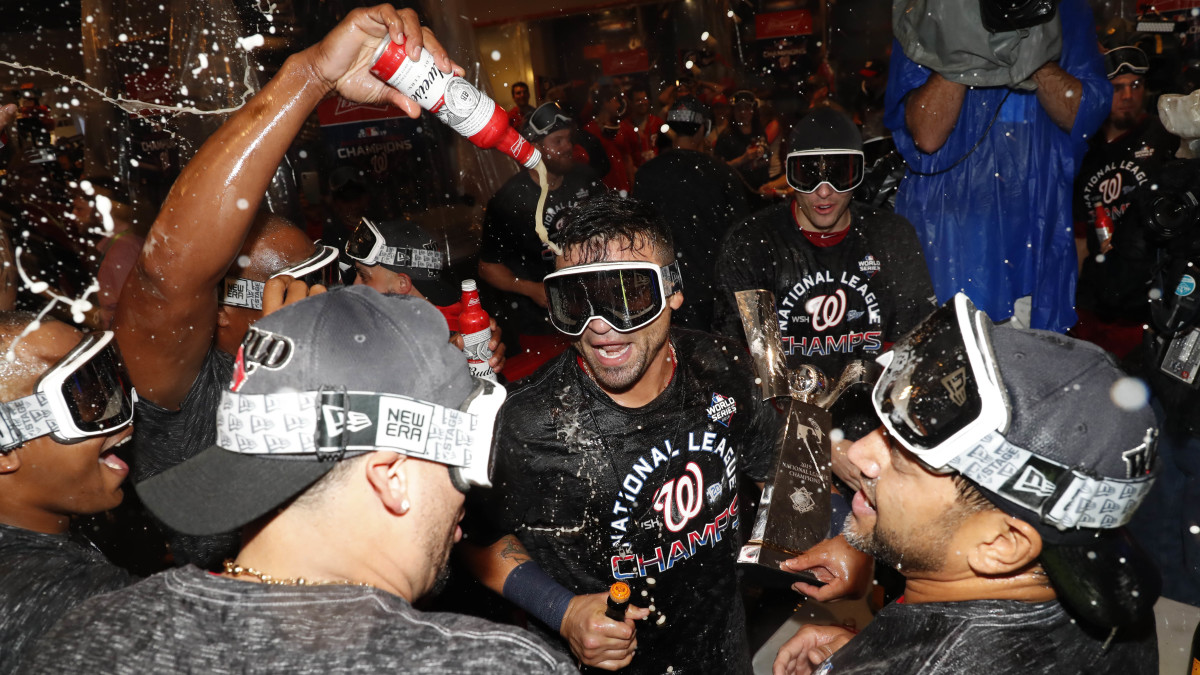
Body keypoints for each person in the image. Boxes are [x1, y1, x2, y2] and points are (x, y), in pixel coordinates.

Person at [24, 287, 575, 673]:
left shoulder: (91, 637)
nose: (466, 497)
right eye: (464, 462)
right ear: (391, 477)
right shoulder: (493, 665)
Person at [112, 5, 458, 569]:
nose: (322, 295)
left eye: (325, 273)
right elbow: (165, 275)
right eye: (297, 286)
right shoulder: (189, 396)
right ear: (220, 311)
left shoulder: (340, 357)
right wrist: (312, 74)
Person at [466, 193, 780, 674]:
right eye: (577, 301)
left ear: (673, 289)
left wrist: (827, 536)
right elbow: (470, 538)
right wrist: (563, 611)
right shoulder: (523, 422)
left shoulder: (725, 367)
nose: (601, 328)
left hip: (723, 652)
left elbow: (775, 469)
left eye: (627, 295)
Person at [773, 294, 1161, 675]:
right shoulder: (1109, 596)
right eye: (885, 429)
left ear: (1001, 545)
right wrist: (875, 650)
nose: (858, 454)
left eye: (903, 455)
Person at [886, 0, 1109, 331]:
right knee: (951, 375)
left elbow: (1080, 115)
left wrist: (1031, 47)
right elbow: (927, 135)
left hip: (1031, 248)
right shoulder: (931, 10)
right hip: (949, 247)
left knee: (1026, 376)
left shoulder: (1062, 8)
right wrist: (967, 41)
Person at [714, 108, 935, 384]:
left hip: (871, 409)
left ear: (859, 173)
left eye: (839, 174)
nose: (824, 190)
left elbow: (911, 353)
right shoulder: (752, 246)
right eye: (808, 174)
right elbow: (748, 368)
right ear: (789, 174)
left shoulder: (892, 238)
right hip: (784, 412)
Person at [0, 314, 137, 672]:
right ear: (6, 447)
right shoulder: (52, 597)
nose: (126, 424)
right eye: (84, 400)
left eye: (105, 385)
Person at [478, 102, 606, 380]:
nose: (567, 146)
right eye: (557, 141)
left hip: (594, 312)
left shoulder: (587, 180)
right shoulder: (510, 200)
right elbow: (488, 267)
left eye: (568, 139)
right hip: (540, 326)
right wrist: (529, 288)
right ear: (533, 147)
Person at [1071, 45, 1179, 359]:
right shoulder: (1082, 151)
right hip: (1097, 302)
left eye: (1136, 85)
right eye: (1118, 88)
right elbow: (1079, 237)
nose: (1129, 95)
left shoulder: (1164, 137)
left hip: (1148, 302)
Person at [633, 96, 748, 330]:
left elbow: (638, 233)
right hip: (713, 292)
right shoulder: (721, 174)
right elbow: (740, 235)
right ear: (703, 130)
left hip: (665, 291)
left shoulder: (647, 174)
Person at [344, 215, 505, 373]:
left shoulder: (456, 339)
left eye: (364, 276)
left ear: (402, 283)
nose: (354, 285)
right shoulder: (448, 320)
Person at [583, 84, 638, 192]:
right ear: (605, 102)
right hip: (603, 188)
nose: (618, 105)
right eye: (615, 101)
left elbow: (627, 158)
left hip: (623, 186)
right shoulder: (589, 130)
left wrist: (632, 184)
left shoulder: (622, 128)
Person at [715, 90, 770, 195]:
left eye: (747, 108)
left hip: (763, 191)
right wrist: (742, 159)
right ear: (733, 112)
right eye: (739, 109)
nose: (743, 113)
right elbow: (718, 169)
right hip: (739, 193)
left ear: (753, 111)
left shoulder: (759, 131)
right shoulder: (726, 137)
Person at [628, 87, 664, 164]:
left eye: (645, 98)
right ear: (631, 103)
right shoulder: (625, 127)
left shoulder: (657, 122)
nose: (643, 102)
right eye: (638, 100)